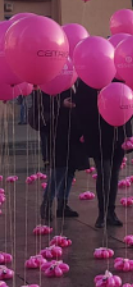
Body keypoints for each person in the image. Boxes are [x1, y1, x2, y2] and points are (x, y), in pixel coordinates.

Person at [75, 79, 131, 229]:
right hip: (97, 135)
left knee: (114, 175)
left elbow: (129, 106)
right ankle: (102, 213)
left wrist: (128, 135)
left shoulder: (119, 79)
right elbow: (80, 108)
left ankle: (111, 212)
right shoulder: (88, 82)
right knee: (104, 173)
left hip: (117, 135)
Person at [38, 90, 87, 220]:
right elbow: (42, 104)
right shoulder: (51, 82)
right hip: (58, 133)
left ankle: (62, 205)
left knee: (70, 169)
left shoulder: (75, 81)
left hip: (75, 133)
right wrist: (61, 104)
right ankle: (46, 203)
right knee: (59, 169)